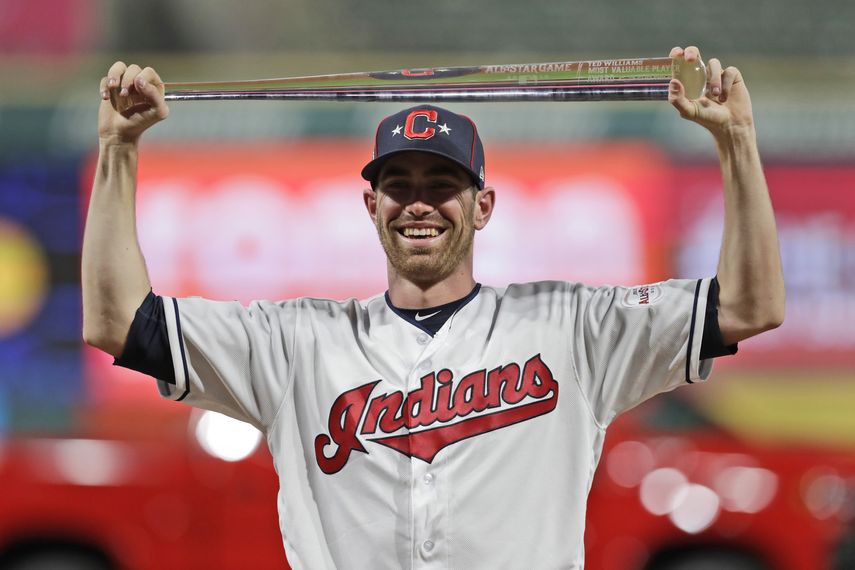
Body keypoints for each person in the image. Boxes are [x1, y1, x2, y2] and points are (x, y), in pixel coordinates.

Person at [82, 46, 785, 569]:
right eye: (399, 184)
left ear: (482, 206)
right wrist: (118, 149)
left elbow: (749, 305)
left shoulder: (571, 327)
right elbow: (118, 323)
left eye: (441, 184)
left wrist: (736, 143)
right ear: (371, 205)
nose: (418, 203)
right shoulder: (295, 341)